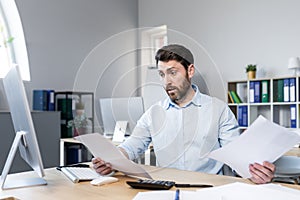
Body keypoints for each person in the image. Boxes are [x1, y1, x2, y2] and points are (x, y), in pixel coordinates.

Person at [93, 44, 275, 184]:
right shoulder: (154, 113)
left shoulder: (218, 110)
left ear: (190, 71)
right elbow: (132, 146)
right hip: (166, 189)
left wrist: (256, 172)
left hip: (207, 190)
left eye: (173, 73)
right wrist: (109, 161)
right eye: (162, 75)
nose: (167, 82)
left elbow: (237, 158)